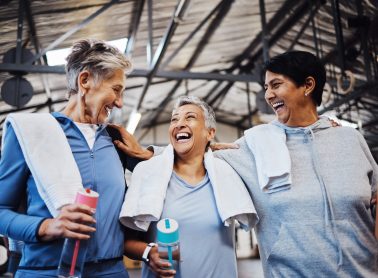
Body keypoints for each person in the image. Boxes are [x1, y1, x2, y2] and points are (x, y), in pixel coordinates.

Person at [115, 51, 378, 277]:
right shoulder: (255, 143)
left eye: (276, 85)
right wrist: (148, 153)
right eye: (266, 87)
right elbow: (198, 152)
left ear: (308, 86)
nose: (268, 94)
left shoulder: (350, 139)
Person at [0, 39, 140, 277]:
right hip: (45, 271)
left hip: (112, 271)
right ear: (84, 80)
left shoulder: (117, 141)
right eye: (116, 89)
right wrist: (45, 226)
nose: (119, 102)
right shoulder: (33, 133)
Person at [116, 96, 258, 278]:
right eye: (174, 119)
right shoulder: (148, 174)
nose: (179, 123)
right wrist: (148, 252)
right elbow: (126, 241)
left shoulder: (228, 174)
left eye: (190, 117)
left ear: (210, 132)